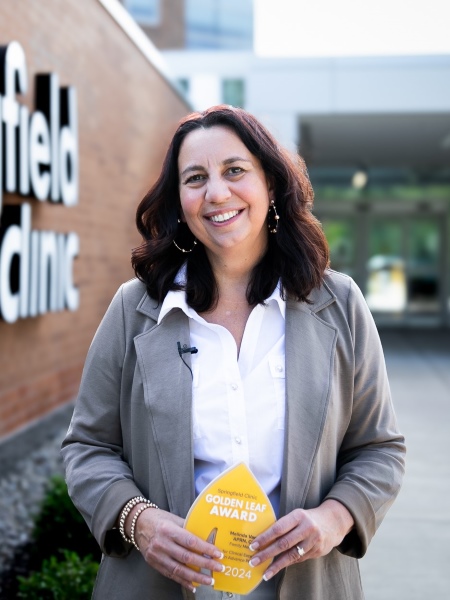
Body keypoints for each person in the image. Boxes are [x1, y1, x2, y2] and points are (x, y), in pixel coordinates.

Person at [61, 105, 406, 600]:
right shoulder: (134, 309)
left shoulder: (340, 305)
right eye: (195, 178)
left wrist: (335, 517)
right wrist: (140, 522)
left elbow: (379, 449)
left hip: (305, 585)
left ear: (271, 183)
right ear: (179, 200)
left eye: (235, 171)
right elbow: (87, 447)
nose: (216, 193)